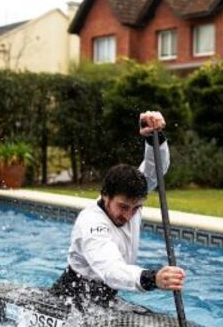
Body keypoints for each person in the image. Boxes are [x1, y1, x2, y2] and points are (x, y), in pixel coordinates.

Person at [50, 110, 186, 308]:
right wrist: (153, 278)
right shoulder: (91, 223)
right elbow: (111, 270)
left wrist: (153, 136)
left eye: (136, 208)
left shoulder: (131, 197)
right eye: (123, 207)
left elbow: (155, 170)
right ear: (105, 195)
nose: (129, 215)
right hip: (71, 297)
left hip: (106, 296)